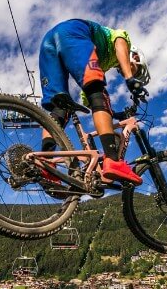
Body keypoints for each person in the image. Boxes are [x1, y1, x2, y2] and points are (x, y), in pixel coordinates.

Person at [37, 18, 149, 186]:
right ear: (135, 57)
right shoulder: (121, 38)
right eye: (136, 69)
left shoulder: (103, 62)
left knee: (60, 107)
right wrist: (130, 78)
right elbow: (120, 44)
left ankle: (45, 163)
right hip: (72, 32)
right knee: (99, 94)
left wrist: (115, 114)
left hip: (48, 42)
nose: (127, 70)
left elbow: (87, 98)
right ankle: (113, 161)